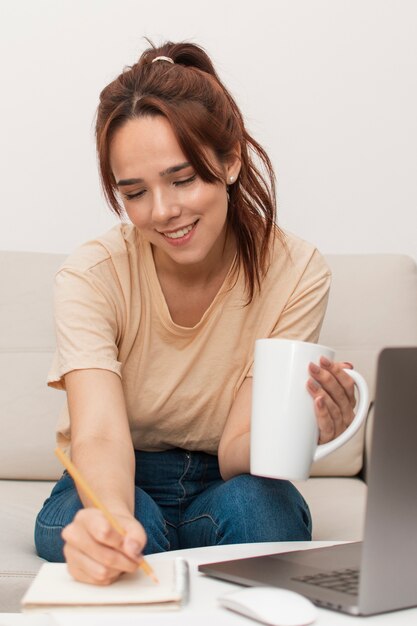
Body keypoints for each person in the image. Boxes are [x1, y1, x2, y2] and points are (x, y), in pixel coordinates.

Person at [35, 41, 356, 585]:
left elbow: (237, 452)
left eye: (182, 180)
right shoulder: (91, 274)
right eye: (135, 193)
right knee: (110, 525)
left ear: (230, 159)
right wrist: (111, 518)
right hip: (120, 470)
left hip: (225, 481)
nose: (163, 212)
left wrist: (308, 428)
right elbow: (101, 438)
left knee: (266, 511)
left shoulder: (298, 271)